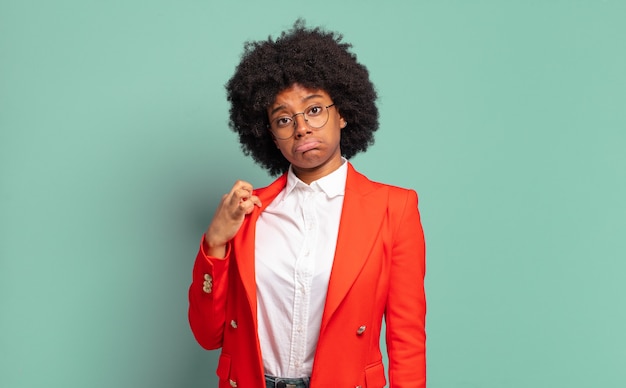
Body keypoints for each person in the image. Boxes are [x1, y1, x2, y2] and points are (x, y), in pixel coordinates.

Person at [188, 20, 426, 388]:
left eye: (314, 110)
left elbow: (406, 339)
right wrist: (215, 243)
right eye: (284, 119)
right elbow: (208, 336)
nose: (301, 128)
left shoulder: (394, 208)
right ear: (270, 136)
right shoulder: (250, 213)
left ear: (343, 112)